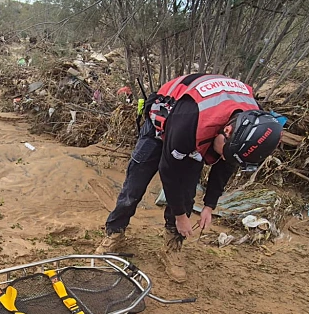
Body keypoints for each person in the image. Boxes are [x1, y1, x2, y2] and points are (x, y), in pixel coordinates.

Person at [95, 74, 282, 282]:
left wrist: (209, 205)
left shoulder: (247, 128)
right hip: (162, 126)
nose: (221, 158)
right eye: (223, 152)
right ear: (227, 130)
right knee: (134, 188)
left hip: (199, 129)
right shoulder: (192, 120)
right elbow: (169, 171)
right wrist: (181, 217)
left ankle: (171, 246)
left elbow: (227, 162)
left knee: (187, 192)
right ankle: (114, 233)